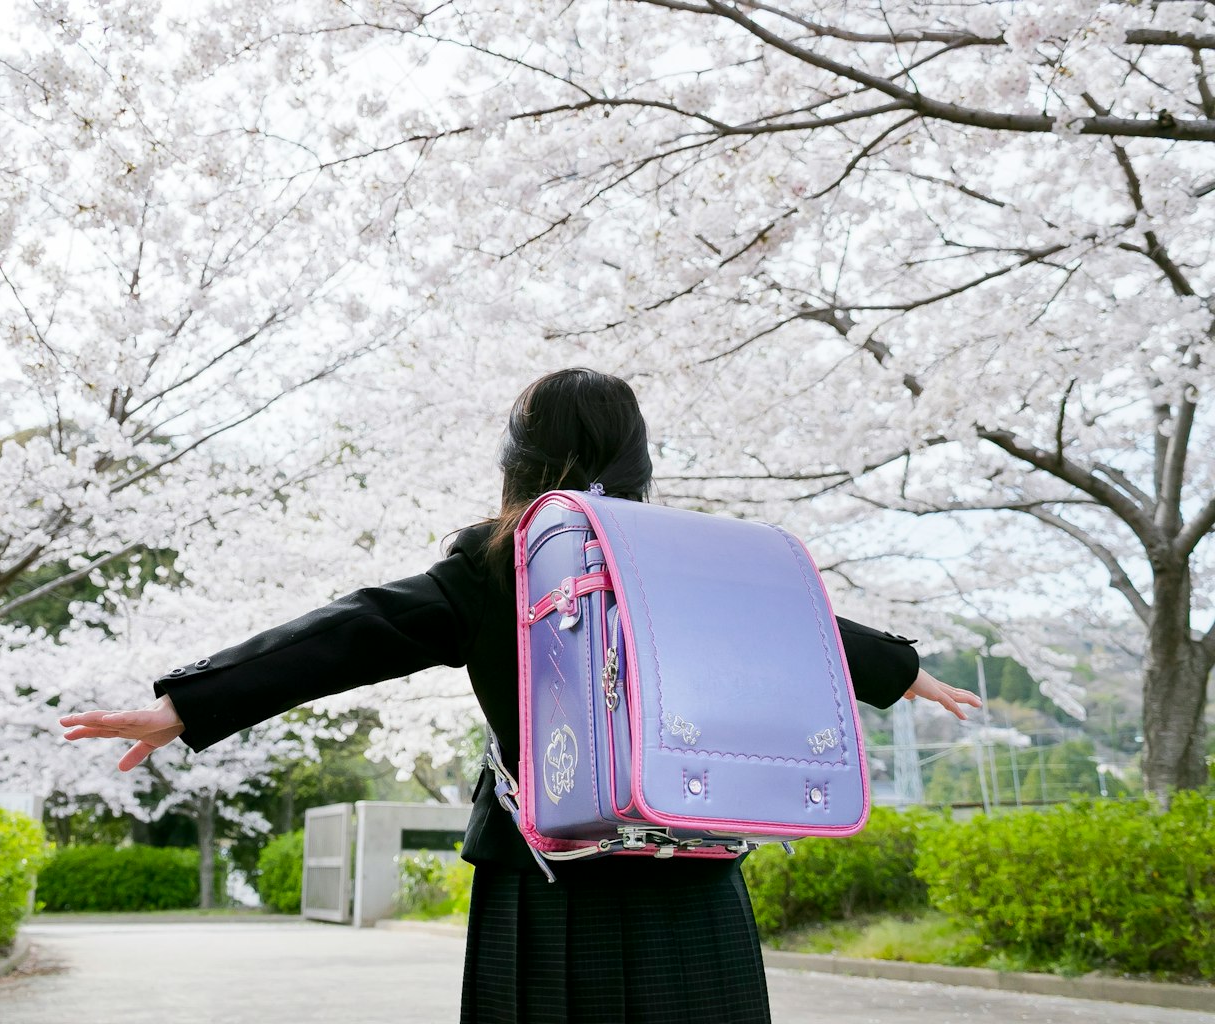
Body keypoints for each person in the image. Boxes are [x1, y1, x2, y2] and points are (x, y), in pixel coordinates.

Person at [60, 367, 981, 1024]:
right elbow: (794, 628)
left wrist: (190, 704)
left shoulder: (493, 565)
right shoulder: (693, 557)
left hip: (547, 868)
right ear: (637, 459)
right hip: (688, 859)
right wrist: (905, 672)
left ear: (519, 459)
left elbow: (350, 632)